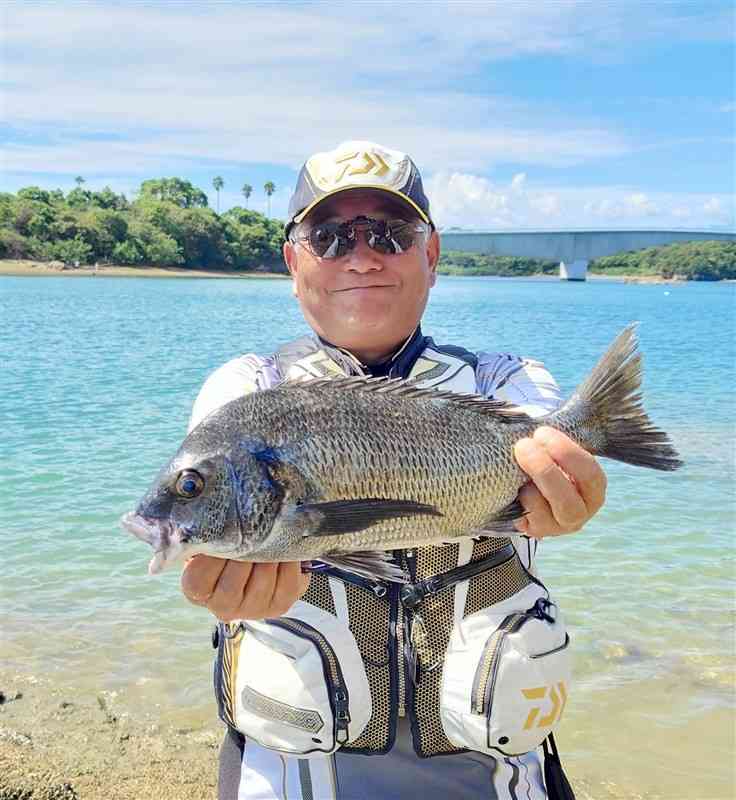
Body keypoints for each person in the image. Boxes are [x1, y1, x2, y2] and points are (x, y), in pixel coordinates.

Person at [181, 141, 606, 800]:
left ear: (430, 255)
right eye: (330, 237)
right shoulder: (246, 393)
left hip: (494, 780)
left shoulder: (506, 382)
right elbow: (210, 492)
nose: (362, 255)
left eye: (390, 233)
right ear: (294, 262)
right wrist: (222, 584)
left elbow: (542, 437)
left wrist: (572, 489)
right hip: (290, 778)